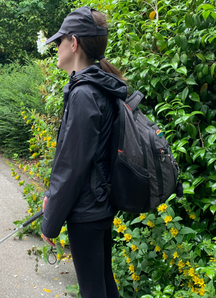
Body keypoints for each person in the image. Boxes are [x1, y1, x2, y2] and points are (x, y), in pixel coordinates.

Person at [40, 6, 127, 298]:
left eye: (59, 42)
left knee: (93, 290)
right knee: (103, 283)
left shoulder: (84, 93)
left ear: (73, 43)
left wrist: (50, 223)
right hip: (100, 205)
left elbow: (71, 167)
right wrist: (52, 201)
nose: (57, 49)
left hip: (87, 211)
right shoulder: (99, 86)